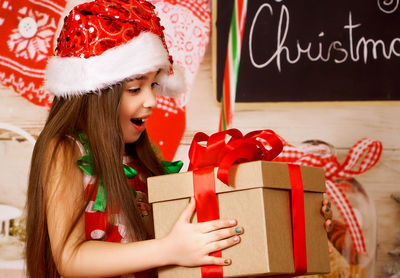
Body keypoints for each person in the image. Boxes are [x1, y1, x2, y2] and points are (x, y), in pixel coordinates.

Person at [25, 0, 332, 277]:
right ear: (95, 94)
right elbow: (70, 257)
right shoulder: (64, 150)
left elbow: (192, 239)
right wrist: (169, 250)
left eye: (154, 86)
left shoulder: (138, 160)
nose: (152, 101)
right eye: (135, 89)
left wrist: (292, 224)